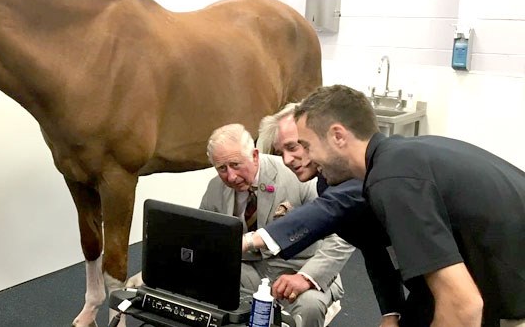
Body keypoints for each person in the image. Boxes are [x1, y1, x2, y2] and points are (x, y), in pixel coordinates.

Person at [292, 84, 525, 327]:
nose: (308, 158)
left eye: (307, 146)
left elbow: (463, 306)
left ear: (338, 136)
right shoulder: (403, 157)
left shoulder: (392, 179)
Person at [250, 103, 432, 327]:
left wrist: (251, 240)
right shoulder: (326, 182)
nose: (287, 160)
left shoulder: (374, 170)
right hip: (424, 277)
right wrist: (391, 311)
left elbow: (329, 209)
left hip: (458, 272)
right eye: (281, 152)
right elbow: (375, 248)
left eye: (297, 146)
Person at [200, 123, 353, 327]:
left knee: (309, 306)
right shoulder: (215, 188)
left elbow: (342, 237)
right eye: (221, 169)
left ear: (255, 155)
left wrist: (306, 277)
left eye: (236, 165)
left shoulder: (300, 176)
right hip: (248, 270)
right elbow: (203, 236)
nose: (231, 176)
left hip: (300, 267)